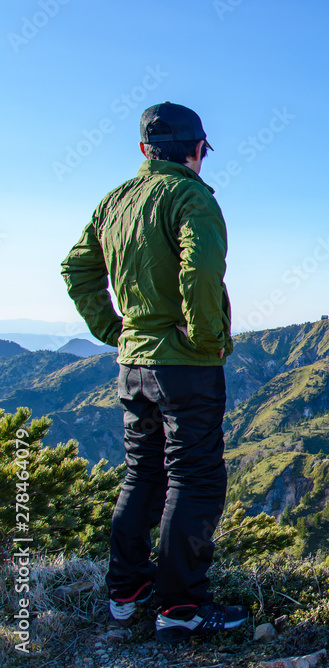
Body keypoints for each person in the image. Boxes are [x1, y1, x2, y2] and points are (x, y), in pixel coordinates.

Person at [60, 101, 247, 643]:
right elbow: (202, 267)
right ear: (197, 151)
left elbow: (76, 267)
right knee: (196, 478)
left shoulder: (114, 202)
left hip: (133, 362)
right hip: (182, 364)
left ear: (145, 150)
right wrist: (208, 339)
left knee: (143, 473)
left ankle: (126, 593)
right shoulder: (190, 196)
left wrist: (113, 329)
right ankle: (181, 608)